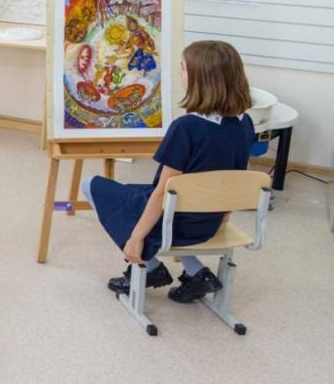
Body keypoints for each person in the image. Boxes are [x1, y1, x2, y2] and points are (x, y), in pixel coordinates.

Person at [82, 40, 255, 303]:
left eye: (183, 68)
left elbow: (163, 192)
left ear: (201, 79)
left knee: (91, 186)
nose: (179, 73)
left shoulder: (186, 128)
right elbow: (234, 180)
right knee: (135, 192)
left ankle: (150, 267)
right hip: (209, 221)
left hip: (176, 223)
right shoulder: (245, 123)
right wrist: (223, 218)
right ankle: (196, 273)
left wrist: (136, 238)